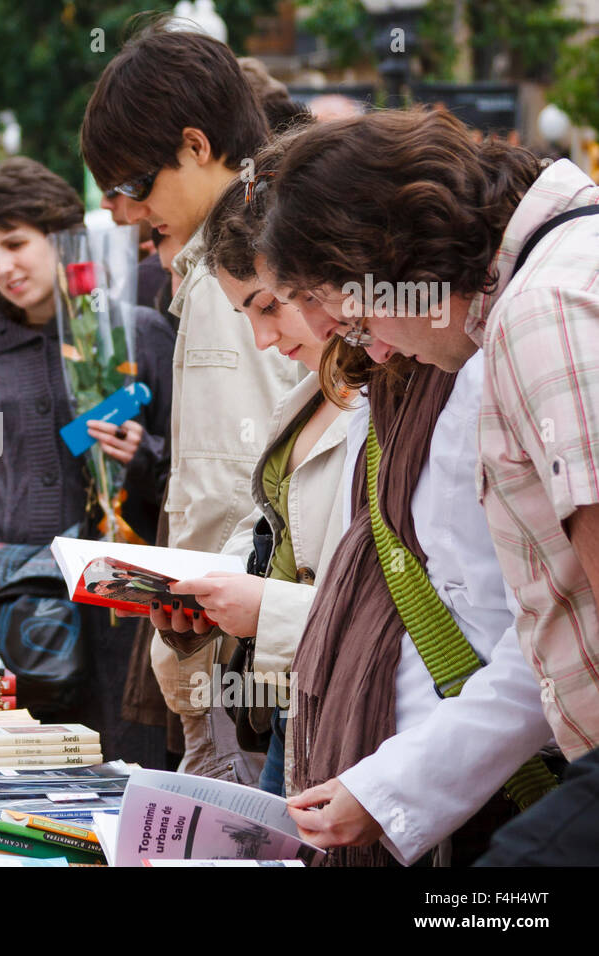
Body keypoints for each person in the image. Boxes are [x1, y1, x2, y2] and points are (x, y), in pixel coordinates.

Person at [252, 109, 560, 864]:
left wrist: (400, 784)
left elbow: (538, 633)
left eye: (354, 318)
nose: (371, 344)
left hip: (493, 783)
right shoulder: (441, 355)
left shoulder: (524, 330)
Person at [81, 21, 301, 783]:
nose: (128, 214)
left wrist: (194, 682)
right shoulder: (271, 236)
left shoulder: (227, 275)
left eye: (136, 186)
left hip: (245, 663)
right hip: (269, 648)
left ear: (197, 146)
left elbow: (220, 486)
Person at [0, 156, 175, 766]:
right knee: (8, 775)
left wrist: (144, 456)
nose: (3, 266)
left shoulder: (133, 332)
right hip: (10, 609)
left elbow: (189, 473)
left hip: (116, 602)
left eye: (16, 244)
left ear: (62, 238)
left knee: (118, 766)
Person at [149, 150, 363, 796]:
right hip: (289, 717)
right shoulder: (307, 395)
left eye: (269, 306)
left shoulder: (391, 401)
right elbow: (266, 526)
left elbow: (390, 612)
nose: (265, 337)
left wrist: (262, 607)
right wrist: (207, 595)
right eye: (248, 316)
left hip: (350, 731)